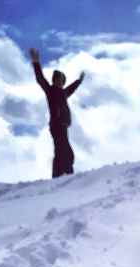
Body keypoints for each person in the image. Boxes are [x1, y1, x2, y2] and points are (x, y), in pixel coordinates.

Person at [29, 48, 84, 178]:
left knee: (62, 151)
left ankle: (59, 176)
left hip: (63, 125)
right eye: (59, 79)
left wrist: (79, 81)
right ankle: (66, 175)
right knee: (65, 152)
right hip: (57, 124)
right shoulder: (51, 91)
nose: (61, 81)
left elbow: (71, 88)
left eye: (62, 80)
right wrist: (36, 62)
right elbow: (40, 79)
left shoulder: (63, 93)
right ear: (54, 80)